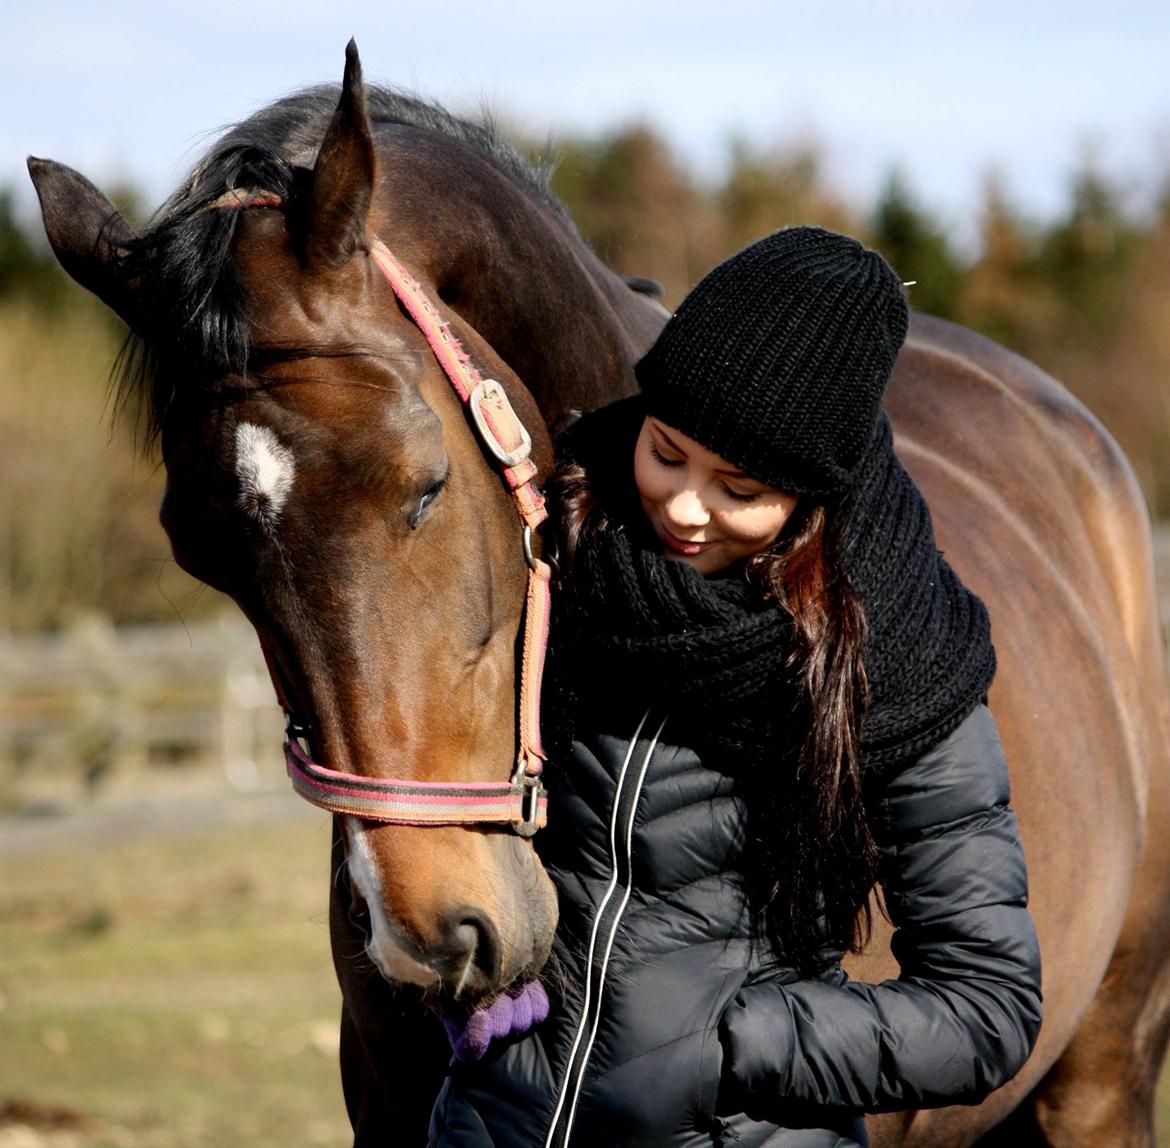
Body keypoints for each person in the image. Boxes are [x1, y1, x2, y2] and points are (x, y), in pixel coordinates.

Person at [426, 226, 1042, 1147]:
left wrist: (736, 1045)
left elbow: (988, 1008)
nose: (681, 505)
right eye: (666, 452)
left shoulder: (895, 669)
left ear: (810, 497)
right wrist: (464, 973)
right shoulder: (556, 549)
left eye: (738, 487)